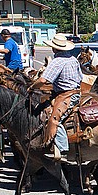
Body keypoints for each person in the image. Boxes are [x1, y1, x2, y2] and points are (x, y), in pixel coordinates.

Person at [42, 34, 84, 163]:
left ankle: (63, 149)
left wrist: (32, 86)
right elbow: (81, 77)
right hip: (77, 91)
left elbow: (44, 80)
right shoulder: (73, 59)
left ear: (54, 49)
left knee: (54, 118)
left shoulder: (57, 62)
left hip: (66, 95)